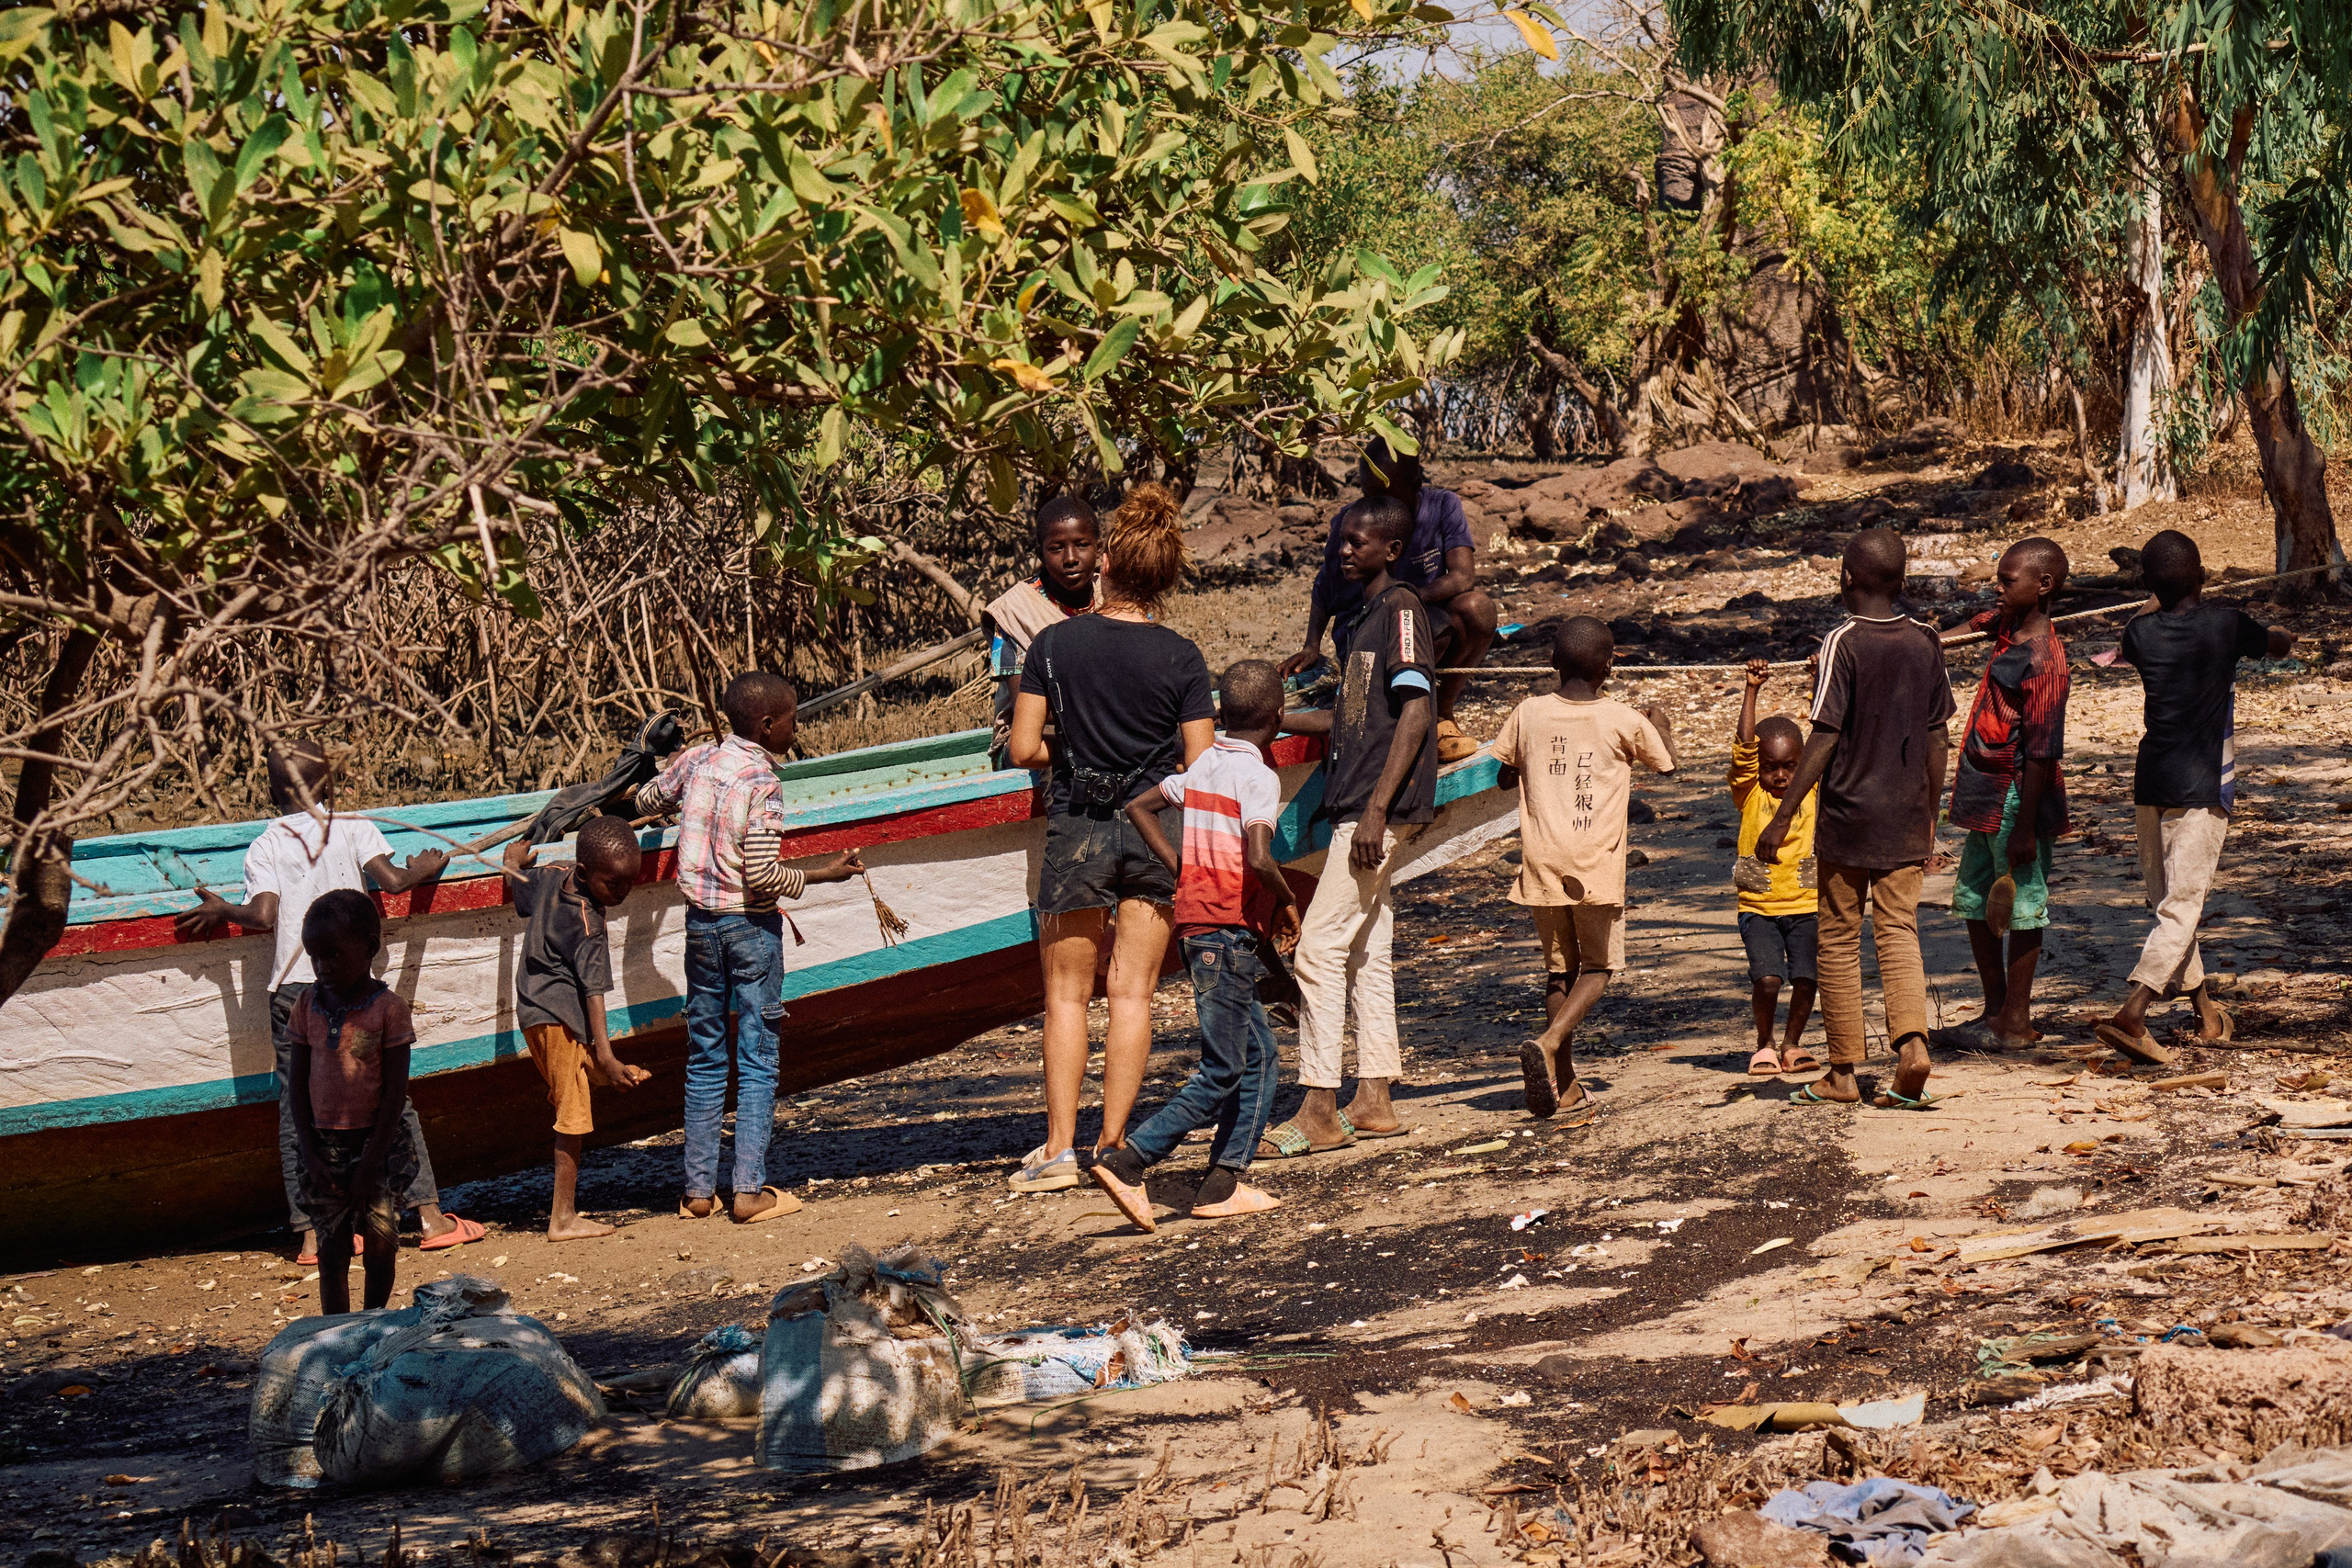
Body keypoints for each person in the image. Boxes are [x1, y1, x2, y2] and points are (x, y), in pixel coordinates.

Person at [175, 739, 478, 1265]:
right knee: (389, 1096)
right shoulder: (355, 827)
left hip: (297, 995)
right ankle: (429, 1218)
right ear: (330, 786)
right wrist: (427, 866)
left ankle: (315, 1234)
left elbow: (264, 915)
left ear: (271, 791)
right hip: (357, 994)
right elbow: (394, 881)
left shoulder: (265, 845)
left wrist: (224, 908)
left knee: (300, 1111)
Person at [1008, 481, 1216, 1193]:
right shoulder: (1183, 657)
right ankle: (1112, 1144)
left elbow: (1022, 748)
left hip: (1079, 825)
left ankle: (1059, 1149)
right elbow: (1199, 763)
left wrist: (1073, 750)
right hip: (1157, 829)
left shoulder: (1054, 644)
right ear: (1163, 578)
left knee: (1067, 996)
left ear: (1106, 564)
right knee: (1133, 992)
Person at [636, 672, 865, 1223]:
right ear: (767, 725)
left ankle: (696, 1192)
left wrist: (684, 784)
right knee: (758, 1058)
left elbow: (648, 796)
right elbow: (762, 876)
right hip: (749, 931)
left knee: (707, 1055)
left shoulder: (698, 763)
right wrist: (823, 874)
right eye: (792, 719)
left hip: (700, 927)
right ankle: (748, 1191)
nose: (796, 727)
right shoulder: (763, 783)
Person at [1088, 660, 1302, 1230]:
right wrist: (1284, 898)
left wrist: (1182, 867)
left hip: (1202, 929)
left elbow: (1139, 805)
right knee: (1223, 1068)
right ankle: (1129, 1160)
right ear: (1279, 719)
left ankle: (1222, 1182)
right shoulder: (1258, 778)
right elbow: (1258, 856)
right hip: (1224, 935)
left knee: (1260, 1056)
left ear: (1219, 717)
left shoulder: (1204, 763)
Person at [1757, 527, 1954, 1110]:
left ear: (1846, 578)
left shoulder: (1843, 642)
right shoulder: (1926, 641)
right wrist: (1930, 811)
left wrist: (1782, 816)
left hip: (1847, 818)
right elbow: (1938, 736)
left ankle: (1842, 1073)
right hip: (1906, 816)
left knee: (1839, 938)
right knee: (1899, 931)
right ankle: (1912, 1046)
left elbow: (1823, 737)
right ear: (1902, 582)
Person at [1269, 494, 1438, 1152]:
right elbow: (1352, 717)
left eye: (1358, 542)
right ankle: (1374, 1097)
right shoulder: (1359, 617)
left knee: (1316, 949)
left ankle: (1317, 1104)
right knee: (1368, 952)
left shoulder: (1400, 609)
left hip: (1374, 811)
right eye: (1341, 540)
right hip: (1358, 803)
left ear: (1391, 550)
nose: (1344, 549)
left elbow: (1416, 711)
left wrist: (1374, 809)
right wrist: (1275, 723)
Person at [2095, 530, 2294, 1061]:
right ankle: (2134, 1012)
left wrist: (2157, 593)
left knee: (2171, 903)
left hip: (2152, 782)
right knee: (2182, 906)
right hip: (2201, 783)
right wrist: (2274, 632)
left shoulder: (2140, 634)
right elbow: (2279, 644)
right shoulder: (2227, 626)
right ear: (2203, 577)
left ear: (2149, 584)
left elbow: (2138, 622)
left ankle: (2207, 1012)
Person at [1491, 617, 1677, 1116]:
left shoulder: (1527, 712)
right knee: (1598, 967)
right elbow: (1667, 763)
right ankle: (1550, 1044)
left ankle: (1565, 1084)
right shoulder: (1622, 718)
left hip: (1542, 860)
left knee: (1558, 971)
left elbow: (1505, 777)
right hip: (1594, 864)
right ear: (1609, 666)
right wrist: (1658, 722)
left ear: (1551, 662)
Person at [1279, 438, 1498, 763]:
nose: (1376, 502)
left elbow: (1463, 576)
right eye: (1369, 493)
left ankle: (1440, 714)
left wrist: (1404, 599)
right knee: (1414, 638)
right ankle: (1397, 720)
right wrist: (1312, 645)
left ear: (1415, 485)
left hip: (1421, 623)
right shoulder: (1352, 522)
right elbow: (1325, 584)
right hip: (1365, 632)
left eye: (1386, 493)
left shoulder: (1442, 506)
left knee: (1475, 610)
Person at [1944, 538, 2073, 1051]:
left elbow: (2042, 750)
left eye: (2006, 580)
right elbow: (1952, 636)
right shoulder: (2003, 627)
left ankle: (2015, 1022)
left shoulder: (2045, 660)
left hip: (2020, 798)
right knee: (1976, 899)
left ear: (2042, 586)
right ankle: (1993, 1012)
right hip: (1985, 789)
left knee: (2022, 905)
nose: (1996, 587)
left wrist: (2025, 826)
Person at [500, 816, 653, 1241]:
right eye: (613, 884)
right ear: (585, 874)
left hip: (534, 1011)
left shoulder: (552, 875)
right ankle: (562, 1218)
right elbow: (594, 993)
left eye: (629, 883)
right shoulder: (590, 925)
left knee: (576, 1087)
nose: (623, 893)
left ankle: (611, 1073)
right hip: (560, 1015)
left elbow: (520, 890)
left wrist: (511, 860)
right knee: (572, 1114)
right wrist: (606, 1053)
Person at [286, 889, 413, 1314]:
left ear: (370, 949)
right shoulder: (306, 1004)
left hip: (377, 1143)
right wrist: (310, 1152)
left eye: (334, 955)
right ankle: (337, 1331)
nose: (323, 968)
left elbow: (396, 1094)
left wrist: (371, 1161)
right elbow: (297, 1085)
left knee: (381, 1240)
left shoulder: (389, 1009)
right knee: (332, 1247)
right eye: (314, 957)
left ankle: (374, 1318)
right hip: (323, 1143)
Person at [1729, 659, 1819, 1077]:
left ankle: (1792, 1044)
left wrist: (1820, 680)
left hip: (1808, 904)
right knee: (1767, 979)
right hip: (1759, 908)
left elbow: (1825, 736)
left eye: (1790, 766)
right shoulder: (1750, 794)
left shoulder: (1814, 789)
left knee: (1806, 978)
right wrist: (1751, 689)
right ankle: (1763, 1043)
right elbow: (1745, 748)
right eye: (1771, 767)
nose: (1781, 776)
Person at [984, 496, 1102, 768]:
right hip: (1038, 739)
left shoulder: (1113, 594)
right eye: (1057, 548)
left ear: (1098, 547)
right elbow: (1029, 710)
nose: (1071, 559)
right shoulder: (1015, 612)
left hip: (1105, 729)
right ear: (1040, 554)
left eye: (1082, 545)